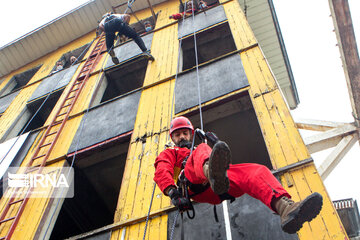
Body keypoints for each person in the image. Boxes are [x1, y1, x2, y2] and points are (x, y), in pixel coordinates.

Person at [154, 116, 324, 234]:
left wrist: (214, 143)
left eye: (185, 133)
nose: (182, 136)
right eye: (177, 134)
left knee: (256, 171)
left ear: (190, 134)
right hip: (193, 185)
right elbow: (162, 169)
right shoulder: (171, 153)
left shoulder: (199, 148)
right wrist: (172, 192)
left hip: (218, 186)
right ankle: (212, 171)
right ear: (172, 138)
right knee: (201, 150)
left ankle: (285, 208)